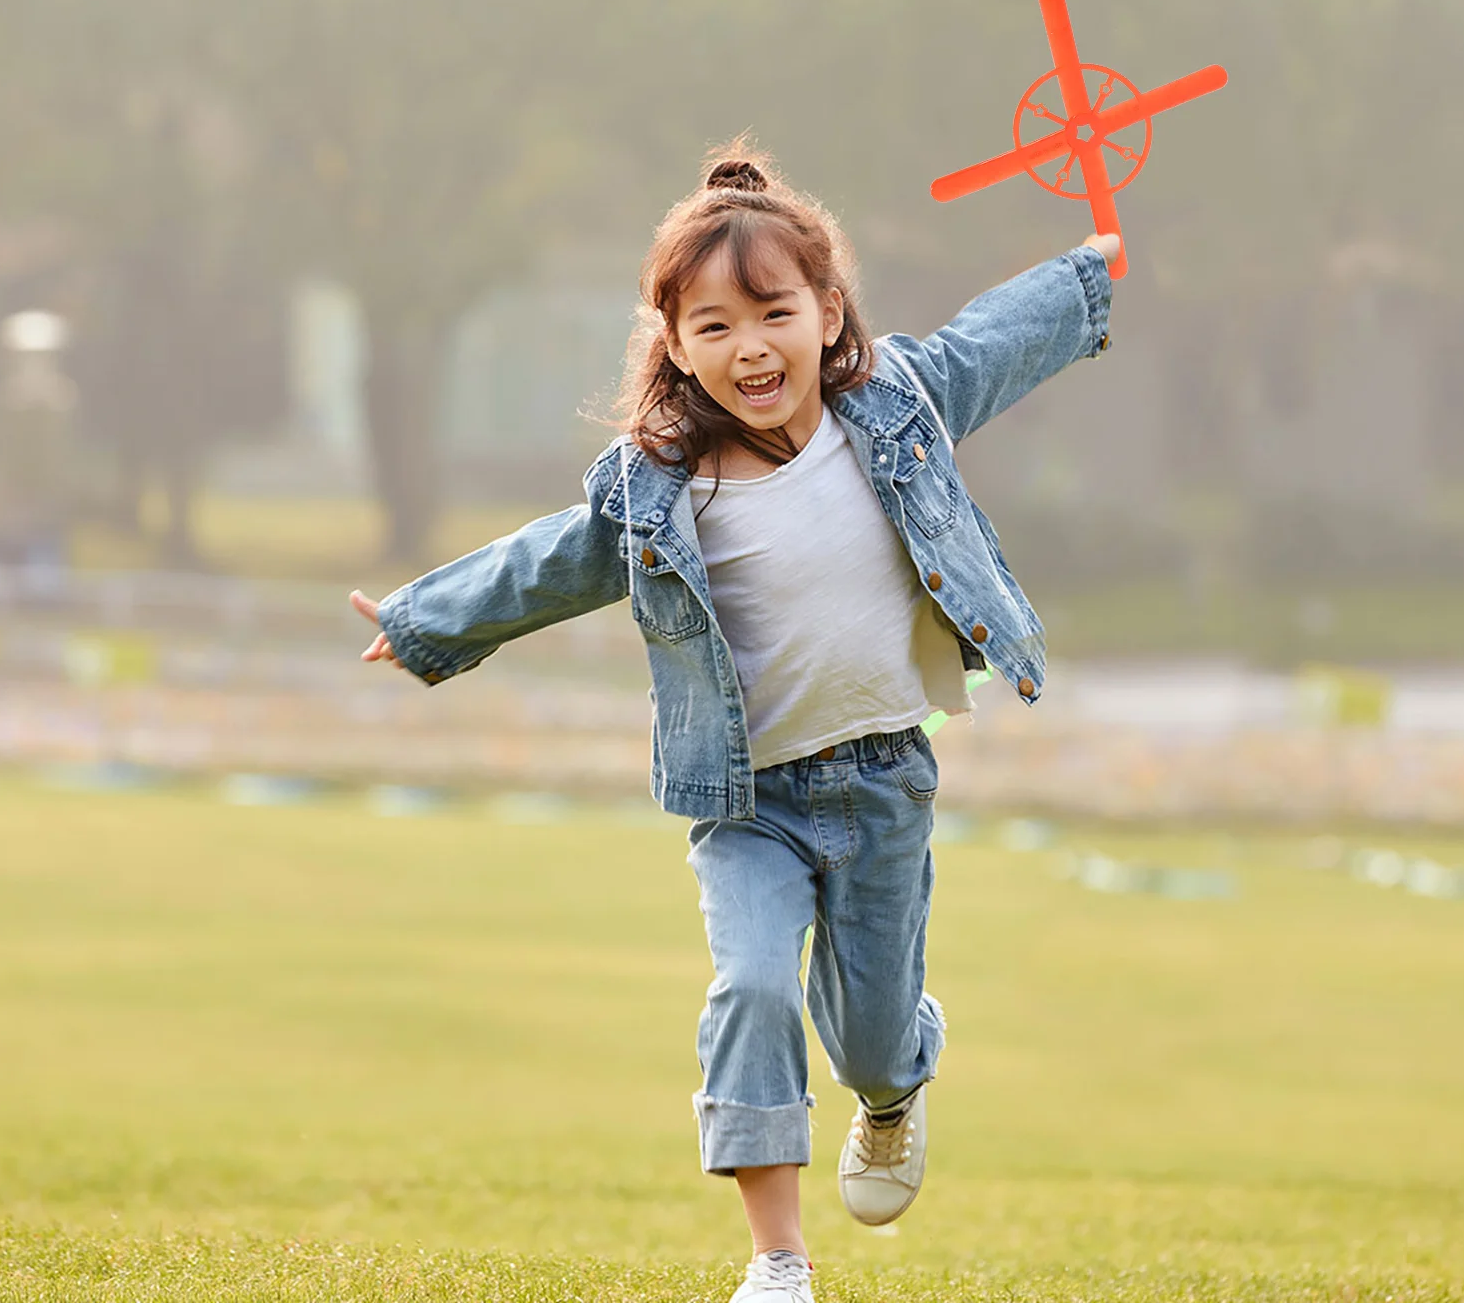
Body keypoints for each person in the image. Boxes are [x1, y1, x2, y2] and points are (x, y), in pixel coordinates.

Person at [351, 140, 1118, 1303]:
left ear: (826, 311)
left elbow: (986, 342)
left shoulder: (896, 404)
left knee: (864, 1040)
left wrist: (1084, 278)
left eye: (773, 312)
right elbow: (549, 563)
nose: (749, 347)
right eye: (711, 326)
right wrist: (423, 621)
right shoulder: (656, 486)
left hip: (881, 782)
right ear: (672, 344)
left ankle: (897, 1074)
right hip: (746, 798)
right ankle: (777, 1260)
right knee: (752, 985)